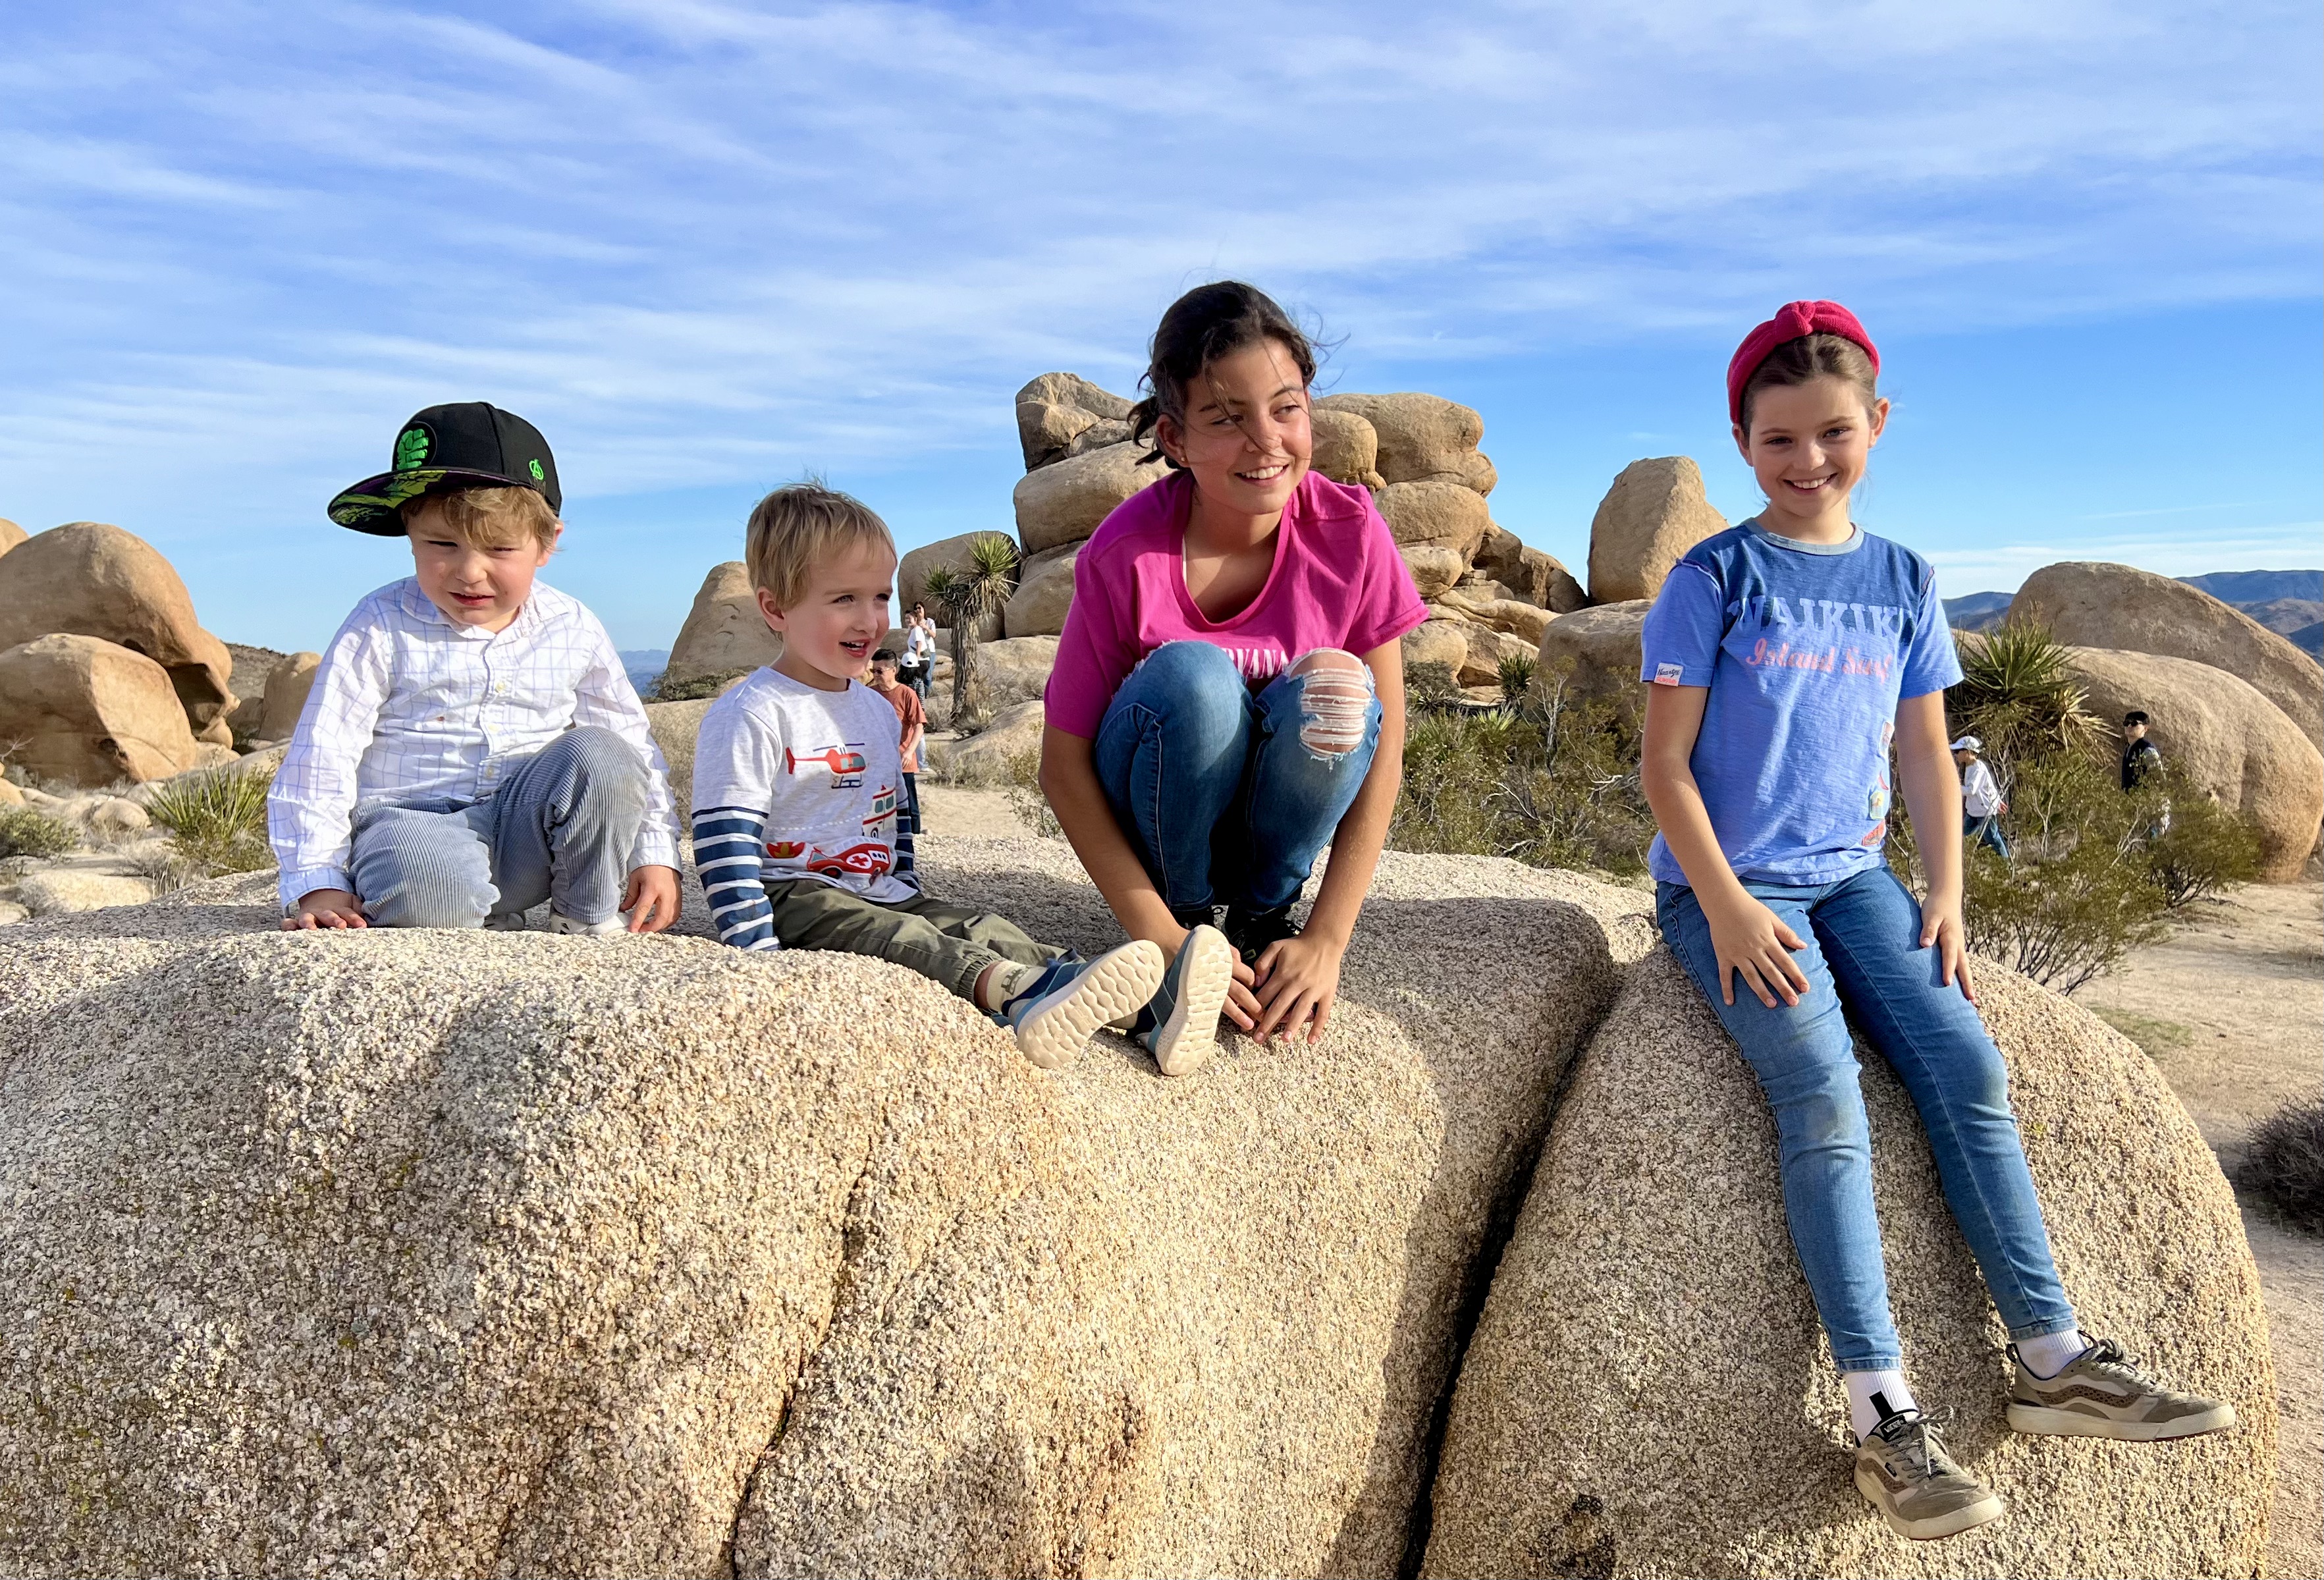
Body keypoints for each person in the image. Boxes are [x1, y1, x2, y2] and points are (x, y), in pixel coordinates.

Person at [1637, 302, 2233, 1544]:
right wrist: (1730, 905)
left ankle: (2052, 1354)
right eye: (1779, 438)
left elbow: (1921, 748)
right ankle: (1880, 1413)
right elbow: (1664, 767)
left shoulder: (1901, 578)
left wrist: (1945, 891)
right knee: (1821, 1088)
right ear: (1741, 440)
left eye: (1833, 433)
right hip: (1727, 885)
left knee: (1964, 1057)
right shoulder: (1713, 577)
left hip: (1855, 876)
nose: (1808, 460)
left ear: (1877, 424)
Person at [1039, 281, 1429, 1076]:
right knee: (1193, 676)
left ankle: (1261, 920)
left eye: (1286, 408)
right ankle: (1191, 922)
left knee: (1338, 688)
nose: (1266, 441)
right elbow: (1062, 764)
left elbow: (1382, 746)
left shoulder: (1350, 533)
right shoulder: (1127, 554)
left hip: (1271, 849)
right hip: (1159, 842)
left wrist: (1327, 938)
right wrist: (1160, 935)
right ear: (1175, 439)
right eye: (1226, 418)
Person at [688, 481, 1167, 1069]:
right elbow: (724, 838)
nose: (869, 620)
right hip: (793, 896)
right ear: (775, 608)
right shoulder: (754, 711)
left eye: (879, 597)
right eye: (843, 598)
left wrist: (907, 885)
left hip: (876, 888)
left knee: (976, 921)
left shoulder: (871, 708)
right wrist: (753, 950)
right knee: (908, 941)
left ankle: (1134, 1008)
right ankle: (1016, 994)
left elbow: (894, 811)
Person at [269, 402, 683, 935]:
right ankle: (470, 909)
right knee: (433, 890)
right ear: (408, 530)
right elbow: (322, 753)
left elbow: (630, 739)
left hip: (527, 836)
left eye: (499, 547)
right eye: (441, 544)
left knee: (605, 752)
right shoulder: (380, 623)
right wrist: (318, 880)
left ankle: (583, 916)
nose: (469, 571)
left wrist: (653, 849)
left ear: (546, 543)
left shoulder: (571, 625)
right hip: (409, 829)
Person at [867, 648, 926, 835]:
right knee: (877, 804)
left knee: (909, 805)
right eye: (873, 671)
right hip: (877, 761)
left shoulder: (907, 694)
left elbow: (919, 725)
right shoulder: (869, 694)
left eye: (880, 671)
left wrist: (909, 752)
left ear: (894, 671)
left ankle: (915, 839)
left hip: (902, 761)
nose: (876, 675)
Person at [1951, 735, 2009, 859]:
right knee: (1963, 836)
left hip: (1985, 812)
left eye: (1958, 751)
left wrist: (1952, 788)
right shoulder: (1969, 767)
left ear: (1967, 752)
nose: (1956, 755)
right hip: (1973, 811)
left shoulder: (1979, 768)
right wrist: (1999, 801)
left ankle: (2007, 865)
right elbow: (1990, 786)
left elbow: (1972, 790)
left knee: (1993, 838)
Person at [898, 603, 936, 700]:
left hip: (922, 659)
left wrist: (917, 659)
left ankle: (922, 699)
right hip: (919, 658)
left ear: (915, 619)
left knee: (921, 680)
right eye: (906, 618)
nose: (907, 620)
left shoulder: (918, 629)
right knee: (918, 681)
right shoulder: (913, 630)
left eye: (909, 618)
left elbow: (919, 644)